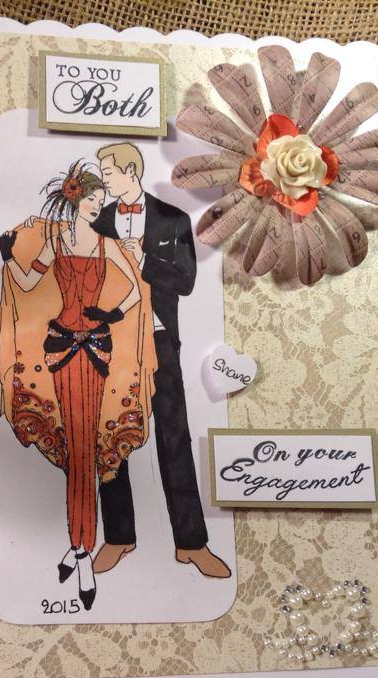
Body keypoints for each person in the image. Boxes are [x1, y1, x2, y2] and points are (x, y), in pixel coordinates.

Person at [0, 162, 157, 610]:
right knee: (76, 449)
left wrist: (113, 314)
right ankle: (80, 546)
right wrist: (7, 257)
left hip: (97, 352)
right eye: (93, 201)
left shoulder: (107, 246)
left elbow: (135, 291)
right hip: (61, 350)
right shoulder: (56, 243)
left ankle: (80, 549)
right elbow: (28, 282)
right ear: (76, 200)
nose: (98, 207)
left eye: (101, 202)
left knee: (86, 448)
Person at [91, 142, 231, 579]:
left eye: (109, 173)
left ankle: (192, 544)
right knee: (111, 438)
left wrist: (145, 261)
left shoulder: (173, 219)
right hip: (113, 343)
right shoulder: (98, 220)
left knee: (174, 436)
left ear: (130, 171)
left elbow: (186, 281)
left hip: (159, 339)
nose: (105, 181)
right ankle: (118, 537)